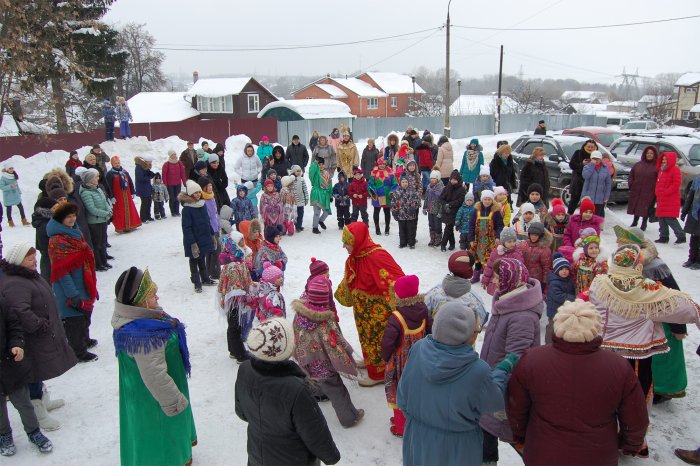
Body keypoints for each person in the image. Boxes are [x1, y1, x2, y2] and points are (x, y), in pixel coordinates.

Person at [588, 244, 700, 457]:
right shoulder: (649, 292)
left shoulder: (599, 283)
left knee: (603, 397)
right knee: (634, 401)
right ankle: (631, 441)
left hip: (602, 353)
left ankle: (602, 437)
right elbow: (684, 308)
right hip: (635, 357)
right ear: (637, 264)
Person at [507, 299, 649, 464]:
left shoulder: (532, 360)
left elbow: (516, 408)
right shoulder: (618, 366)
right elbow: (636, 419)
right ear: (595, 328)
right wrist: (630, 445)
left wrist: (521, 435)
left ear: (559, 325)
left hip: (544, 453)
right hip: (597, 455)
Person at [397, 301, 516, 466]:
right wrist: (501, 371)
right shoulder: (477, 370)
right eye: (476, 330)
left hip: (418, 442)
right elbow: (494, 402)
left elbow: (402, 398)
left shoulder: (418, 350)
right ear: (466, 336)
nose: (477, 334)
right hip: (457, 449)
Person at [112, 267, 197, 466]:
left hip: (148, 393)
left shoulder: (144, 318)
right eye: (151, 294)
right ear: (139, 300)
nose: (157, 296)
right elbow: (154, 376)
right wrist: (174, 402)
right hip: (155, 399)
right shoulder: (144, 334)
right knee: (160, 434)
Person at [235, 318, 341, 466]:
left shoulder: (244, 369)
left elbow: (241, 412)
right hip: (293, 459)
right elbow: (314, 433)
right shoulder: (296, 389)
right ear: (284, 350)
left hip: (257, 456)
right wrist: (331, 456)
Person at [0, 242, 76, 435]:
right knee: (33, 372)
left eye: (34, 256)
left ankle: (44, 400)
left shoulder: (27, 274)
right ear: (19, 261)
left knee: (40, 371)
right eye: (29, 257)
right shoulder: (15, 282)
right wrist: (40, 325)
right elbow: (19, 310)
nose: (35, 260)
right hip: (31, 338)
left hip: (40, 335)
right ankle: (38, 413)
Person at [480, 257, 543, 463]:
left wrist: (495, 385)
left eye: (498, 277)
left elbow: (516, 358)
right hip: (494, 381)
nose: (494, 282)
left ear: (510, 279)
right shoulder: (508, 300)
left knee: (505, 432)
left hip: (505, 389)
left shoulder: (522, 316)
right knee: (488, 430)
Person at [335, 222, 404, 386]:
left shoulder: (377, 256)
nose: (344, 246)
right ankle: (370, 362)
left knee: (376, 340)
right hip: (363, 312)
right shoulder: (356, 257)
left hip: (377, 315)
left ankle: (379, 373)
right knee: (366, 339)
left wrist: (401, 307)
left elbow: (396, 280)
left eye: (347, 242)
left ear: (357, 240)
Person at [292, 276, 364, 428]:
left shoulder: (299, 315)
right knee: (337, 391)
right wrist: (345, 356)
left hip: (308, 361)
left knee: (317, 381)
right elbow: (334, 344)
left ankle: (318, 394)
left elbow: (296, 334)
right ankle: (349, 418)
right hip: (325, 365)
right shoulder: (325, 322)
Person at [46, 201, 98, 363]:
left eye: (74, 216)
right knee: (74, 320)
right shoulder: (57, 241)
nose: (72, 219)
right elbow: (61, 272)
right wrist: (72, 294)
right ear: (60, 219)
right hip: (70, 287)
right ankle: (78, 351)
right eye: (68, 217)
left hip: (83, 281)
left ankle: (84, 340)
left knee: (84, 316)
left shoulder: (74, 232)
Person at [380, 275, 430, 437]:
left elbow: (388, 341)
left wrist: (385, 356)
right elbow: (430, 330)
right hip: (420, 359)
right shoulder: (423, 309)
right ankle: (415, 420)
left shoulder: (397, 317)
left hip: (400, 364)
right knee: (415, 392)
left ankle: (401, 427)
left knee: (398, 392)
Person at [217, 231, 254, 362]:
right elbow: (234, 288)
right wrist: (244, 296)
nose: (244, 247)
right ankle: (240, 354)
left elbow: (245, 277)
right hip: (233, 301)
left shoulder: (238, 260)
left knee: (233, 325)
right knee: (235, 326)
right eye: (241, 244)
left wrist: (251, 284)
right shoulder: (233, 266)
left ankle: (233, 350)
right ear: (233, 246)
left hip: (236, 300)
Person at [424, 251, 488, 323]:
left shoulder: (434, 292)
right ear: (468, 270)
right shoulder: (473, 300)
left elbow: (424, 311)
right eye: (472, 266)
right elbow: (482, 320)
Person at [178, 180, 216, 293]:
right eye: (195, 193)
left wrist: (212, 235)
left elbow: (207, 222)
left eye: (199, 192)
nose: (198, 194)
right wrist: (193, 244)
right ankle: (196, 282)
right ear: (190, 194)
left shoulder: (202, 205)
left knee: (202, 259)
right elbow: (187, 228)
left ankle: (205, 278)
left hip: (203, 237)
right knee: (194, 260)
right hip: (193, 240)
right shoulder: (187, 209)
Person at [79, 168, 112, 272]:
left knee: (103, 241)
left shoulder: (97, 188)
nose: (97, 179)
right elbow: (92, 209)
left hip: (102, 219)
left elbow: (105, 201)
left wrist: (109, 210)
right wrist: (106, 213)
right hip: (95, 221)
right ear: (89, 180)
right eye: (95, 177)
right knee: (97, 243)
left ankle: (104, 260)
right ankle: (98, 263)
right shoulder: (86, 193)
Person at [468, 189, 504, 283]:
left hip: (490, 241)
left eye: (489, 199)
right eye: (485, 199)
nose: (487, 201)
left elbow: (500, 225)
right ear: (482, 200)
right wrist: (471, 238)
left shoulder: (495, 212)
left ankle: (488, 277)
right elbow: (471, 225)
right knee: (478, 259)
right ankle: (476, 276)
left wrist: (498, 237)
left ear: (492, 200)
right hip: (478, 241)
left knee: (490, 259)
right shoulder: (476, 211)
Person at [481, 226, 523, 296]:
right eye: (509, 242)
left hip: (510, 284)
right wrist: (485, 280)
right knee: (497, 299)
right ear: (503, 242)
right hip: (497, 282)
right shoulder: (496, 252)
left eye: (514, 241)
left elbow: (520, 270)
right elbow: (489, 267)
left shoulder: (517, 254)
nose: (512, 244)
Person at [655, 151, 686, 244]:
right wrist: (657, 191)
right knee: (661, 218)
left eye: (666, 159)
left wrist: (665, 192)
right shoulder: (661, 170)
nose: (664, 161)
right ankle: (663, 236)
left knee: (670, 218)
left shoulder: (675, 169)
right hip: (661, 198)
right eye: (663, 159)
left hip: (670, 198)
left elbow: (676, 184)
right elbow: (658, 182)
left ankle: (681, 236)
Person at [545, 253, 576, 343]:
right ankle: (548, 344)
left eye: (566, 269)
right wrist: (573, 298)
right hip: (555, 312)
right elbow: (558, 296)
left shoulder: (569, 280)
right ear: (556, 270)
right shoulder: (554, 282)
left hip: (564, 311)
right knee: (552, 328)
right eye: (561, 269)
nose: (564, 271)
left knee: (562, 329)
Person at [106, 156, 141, 233]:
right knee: (120, 212)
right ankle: (122, 227)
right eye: (115, 163)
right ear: (112, 164)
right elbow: (108, 187)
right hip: (118, 197)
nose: (117, 164)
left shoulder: (124, 172)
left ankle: (131, 225)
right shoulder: (110, 174)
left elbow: (130, 182)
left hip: (127, 195)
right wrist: (111, 196)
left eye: (118, 163)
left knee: (130, 209)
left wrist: (132, 192)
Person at [627, 145, 659, 230]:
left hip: (649, 192)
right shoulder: (638, 165)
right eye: (648, 153)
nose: (649, 155)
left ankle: (644, 223)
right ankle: (634, 221)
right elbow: (631, 176)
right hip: (637, 190)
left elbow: (659, 180)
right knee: (636, 206)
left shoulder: (657, 167)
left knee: (646, 208)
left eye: (651, 153)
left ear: (655, 154)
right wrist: (631, 185)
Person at [517, 221, 553, 294]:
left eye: (536, 235)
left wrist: (544, 282)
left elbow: (546, 268)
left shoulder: (544, 249)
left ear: (540, 236)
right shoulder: (524, 244)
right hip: (523, 277)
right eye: (531, 235)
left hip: (536, 279)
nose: (533, 237)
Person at [368, 156, 398, 237]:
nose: (382, 165)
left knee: (387, 212)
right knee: (376, 211)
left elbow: (395, 183)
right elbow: (370, 184)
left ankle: (387, 228)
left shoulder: (390, 172)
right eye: (380, 164)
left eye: (383, 164)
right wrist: (373, 191)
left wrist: (392, 192)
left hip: (387, 195)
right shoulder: (374, 173)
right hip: (377, 195)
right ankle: (377, 228)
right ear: (378, 164)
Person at [199, 177, 221, 280]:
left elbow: (215, 214)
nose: (210, 187)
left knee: (213, 250)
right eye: (207, 186)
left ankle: (209, 271)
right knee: (216, 249)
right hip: (209, 229)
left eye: (210, 185)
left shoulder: (211, 197)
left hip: (215, 227)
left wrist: (218, 224)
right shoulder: (202, 200)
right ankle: (215, 272)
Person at [439, 170, 467, 252]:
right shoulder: (447, 187)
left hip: (455, 211)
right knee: (449, 227)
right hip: (446, 211)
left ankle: (443, 244)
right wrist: (445, 205)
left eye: (455, 179)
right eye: (452, 179)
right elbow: (441, 197)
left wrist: (450, 204)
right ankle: (452, 244)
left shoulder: (462, 189)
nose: (453, 181)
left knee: (448, 227)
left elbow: (460, 200)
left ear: (458, 180)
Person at [568, 139, 598, 215]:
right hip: (578, 182)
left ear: (595, 147)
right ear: (585, 146)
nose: (590, 148)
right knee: (574, 201)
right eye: (589, 146)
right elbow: (572, 165)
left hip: (590, 183)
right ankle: (568, 217)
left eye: (592, 147)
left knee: (587, 203)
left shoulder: (597, 155)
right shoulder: (578, 153)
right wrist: (582, 164)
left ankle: (586, 218)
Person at [391, 175, 421, 249]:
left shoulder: (413, 191)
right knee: (402, 230)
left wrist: (413, 207)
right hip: (401, 215)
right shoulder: (396, 192)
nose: (405, 183)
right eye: (403, 182)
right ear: (400, 183)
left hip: (410, 215)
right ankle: (403, 242)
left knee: (411, 229)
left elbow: (416, 201)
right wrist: (394, 212)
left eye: (406, 182)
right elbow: (393, 202)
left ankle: (411, 243)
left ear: (409, 182)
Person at [581, 150, 611, 217]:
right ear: (591, 159)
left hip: (600, 198)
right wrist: (592, 166)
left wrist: (606, 196)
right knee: (588, 215)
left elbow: (608, 183)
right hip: (588, 197)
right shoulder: (587, 167)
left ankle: (598, 227)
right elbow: (585, 176)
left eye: (597, 159)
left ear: (600, 159)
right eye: (594, 159)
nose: (596, 160)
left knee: (598, 216)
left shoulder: (605, 169)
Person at [309, 157, 333, 235]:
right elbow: (311, 171)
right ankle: (315, 227)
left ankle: (320, 221)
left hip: (325, 195)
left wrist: (330, 195)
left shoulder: (326, 173)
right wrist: (315, 163)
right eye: (319, 164)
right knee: (317, 212)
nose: (321, 166)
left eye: (322, 164)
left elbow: (330, 184)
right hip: (316, 194)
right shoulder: (315, 173)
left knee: (326, 212)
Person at [682, 174, 700, 269]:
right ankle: (691, 259)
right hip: (694, 213)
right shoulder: (697, 180)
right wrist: (684, 211)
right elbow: (690, 197)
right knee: (694, 238)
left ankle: (698, 261)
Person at [161, 150, 186, 217]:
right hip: (170, 184)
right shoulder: (166, 164)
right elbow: (164, 175)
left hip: (178, 183)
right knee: (172, 198)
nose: (174, 156)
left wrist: (184, 182)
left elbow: (182, 173)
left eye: (175, 154)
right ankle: (173, 211)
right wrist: (165, 184)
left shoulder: (179, 163)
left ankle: (177, 211)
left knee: (178, 197)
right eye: (173, 155)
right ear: (170, 156)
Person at [423, 170, 444, 247]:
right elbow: (426, 198)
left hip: (437, 211)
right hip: (430, 210)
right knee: (431, 225)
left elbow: (442, 202)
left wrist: (440, 212)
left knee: (437, 226)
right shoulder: (429, 187)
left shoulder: (441, 188)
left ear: (438, 179)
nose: (432, 180)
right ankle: (432, 238)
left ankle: (438, 239)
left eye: (434, 178)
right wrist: (425, 207)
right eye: (431, 178)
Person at [134, 155, 156, 223]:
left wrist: (152, 174)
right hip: (142, 188)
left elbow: (148, 173)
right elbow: (141, 178)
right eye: (150, 162)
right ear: (146, 161)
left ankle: (148, 216)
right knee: (144, 203)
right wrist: (149, 177)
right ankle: (143, 218)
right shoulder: (139, 167)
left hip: (147, 187)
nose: (151, 163)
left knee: (149, 202)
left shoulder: (145, 167)